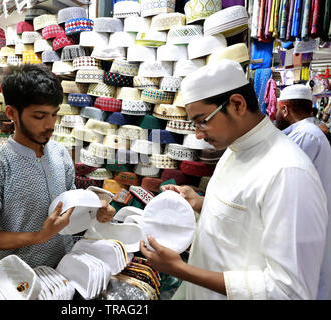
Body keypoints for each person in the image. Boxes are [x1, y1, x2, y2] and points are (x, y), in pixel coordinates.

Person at [139, 59, 328, 300]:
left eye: (202, 121)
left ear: (237, 104)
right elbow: (247, 220)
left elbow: (288, 291)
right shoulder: (234, 149)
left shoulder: (288, 172)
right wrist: (199, 202)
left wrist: (182, 270)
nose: (197, 134)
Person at [0, 64, 115, 270]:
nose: (50, 125)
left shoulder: (59, 152)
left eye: (54, 114)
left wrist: (95, 212)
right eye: (39, 116)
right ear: (12, 113)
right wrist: (39, 236)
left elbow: (70, 203)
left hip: (68, 268)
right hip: (24, 278)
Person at [275, 84, 331, 300]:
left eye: (279, 109)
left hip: (305, 221)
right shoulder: (308, 132)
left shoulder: (305, 136)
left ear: (285, 109)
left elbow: (286, 178)